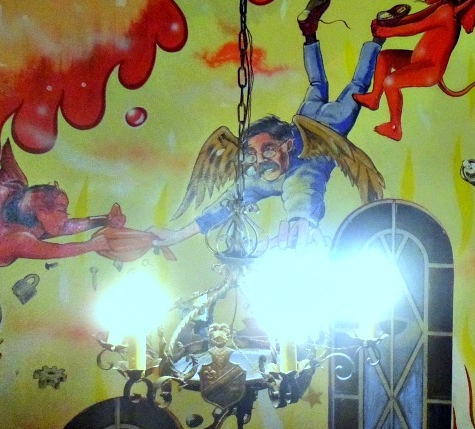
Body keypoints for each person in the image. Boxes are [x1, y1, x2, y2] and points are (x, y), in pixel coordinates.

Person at [152, 0, 384, 250]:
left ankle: (377, 36)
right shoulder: (259, 173)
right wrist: (176, 236)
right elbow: (226, 203)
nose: (261, 161)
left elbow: (304, 194)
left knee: (355, 85)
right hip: (305, 117)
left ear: (288, 146)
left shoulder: (305, 167)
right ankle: (310, 32)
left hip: (332, 123)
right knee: (319, 84)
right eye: (253, 154)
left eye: (269, 150)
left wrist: (301, 224)